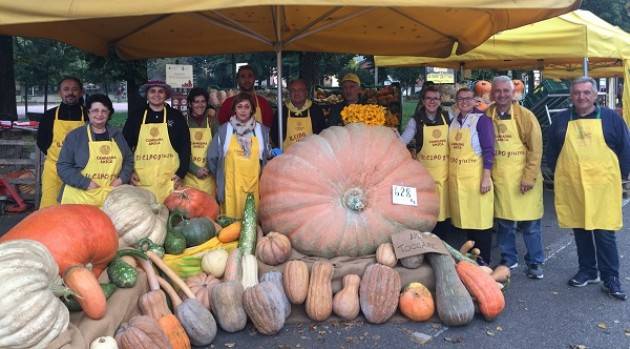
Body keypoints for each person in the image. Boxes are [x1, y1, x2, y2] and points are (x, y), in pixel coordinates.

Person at [547, 77, 630, 300]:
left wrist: (621, 176)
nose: (581, 97)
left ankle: (610, 277)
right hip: (573, 185)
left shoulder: (611, 118)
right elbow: (553, 150)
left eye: (586, 92)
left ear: (595, 95)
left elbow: (625, 147)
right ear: (571, 96)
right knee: (581, 228)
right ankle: (587, 271)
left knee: (604, 232)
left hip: (603, 185)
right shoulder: (562, 120)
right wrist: (560, 175)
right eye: (577, 93)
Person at [487, 76, 544, 279]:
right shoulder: (488, 114)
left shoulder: (525, 116)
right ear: (492, 93)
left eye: (506, 91)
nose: (501, 95)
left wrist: (529, 177)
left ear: (513, 93)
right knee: (504, 224)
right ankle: (509, 258)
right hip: (501, 178)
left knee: (530, 225)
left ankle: (535, 262)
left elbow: (535, 150)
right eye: (498, 91)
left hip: (523, 178)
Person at [56, 94, 133, 206]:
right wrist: (85, 183)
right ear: (88, 113)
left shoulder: (117, 135)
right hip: (79, 198)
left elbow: (128, 161)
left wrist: (121, 180)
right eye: (95, 110)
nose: (99, 114)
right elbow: (63, 167)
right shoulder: (75, 136)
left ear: (109, 113)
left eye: (104, 111)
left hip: (110, 198)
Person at [122, 80, 191, 203]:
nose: (156, 94)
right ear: (147, 94)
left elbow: (185, 147)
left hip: (170, 180)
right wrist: (129, 172)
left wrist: (181, 173)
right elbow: (125, 147)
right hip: (141, 180)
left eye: (161, 91)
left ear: (166, 95)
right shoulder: (136, 117)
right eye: (152, 91)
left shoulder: (176, 117)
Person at [448, 87, 495, 264]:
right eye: (460, 99)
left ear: (475, 100)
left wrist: (486, 177)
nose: (464, 102)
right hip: (459, 183)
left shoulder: (482, 120)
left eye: (468, 98)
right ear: (456, 102)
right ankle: (472, 260)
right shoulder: (454, 122)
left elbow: (489, 150)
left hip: (477, 180)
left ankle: (484, 263)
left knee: (481, 224)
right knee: (469, 224)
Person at [208, 93, 271, 219]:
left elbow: (266, 158)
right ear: (234, 110)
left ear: (252, 109)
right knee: (230, 227)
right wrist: (221, 176)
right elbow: (212, 157)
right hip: (230, 190)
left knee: (252, 226)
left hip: (255, 189)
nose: (243, 110)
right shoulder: (224, 131)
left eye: (247, 107)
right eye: (239, 106)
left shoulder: (261, 131)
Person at [400, 85, 451, 239]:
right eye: (428, 98)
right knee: (428, 212)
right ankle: (429, 243)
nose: (432, 101)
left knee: (444, 213)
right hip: (426, 176)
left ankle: (443, 244)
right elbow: (402, 142)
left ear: (440, 100)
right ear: (423, 100)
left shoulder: (448, 117)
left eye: (435, 98)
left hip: (446, 174)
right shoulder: (416, 121)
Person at [37, 77, 87, 208]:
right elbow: (41, 141)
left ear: (81, 92)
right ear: (60, 93)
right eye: (66, 89)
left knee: (78, 207)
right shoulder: (49, 115)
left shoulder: (89, 115)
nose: (70, 92)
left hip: (81, 171)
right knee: (49, 206)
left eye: (74, 89)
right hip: (54, 169)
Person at [271, 79, 326, 150]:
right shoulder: (282, 111)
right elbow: (274, 136)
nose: (296, 93)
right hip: (287, 156)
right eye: (293, 90)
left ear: (306, 93)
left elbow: (322, 135)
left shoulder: (316, 110)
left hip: (311, 156)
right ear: (289, 93)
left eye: (300, 90)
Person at [184, 87, 216, 196]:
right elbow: (180, 150)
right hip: (189, 176)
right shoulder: (184, 121)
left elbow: (218, 147)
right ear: (190, 104)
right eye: (196, 102)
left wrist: (208, 167)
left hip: (209, 176)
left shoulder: (212, 121)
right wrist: (194, 169)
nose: (200, 105)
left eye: (203, 101)